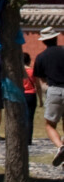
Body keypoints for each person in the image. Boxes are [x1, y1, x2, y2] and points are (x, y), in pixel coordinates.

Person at [31, 26, 64, 166]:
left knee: (50, 124)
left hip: (54, 90)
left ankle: (60, 147)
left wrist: (40, 97)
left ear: (44, 42)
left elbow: (40, 79)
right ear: (56, 38)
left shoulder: (41, 57)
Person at [22, 51, 38, 145]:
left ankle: (21, 137)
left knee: (22, 117)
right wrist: (40, 98)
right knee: (30, 118)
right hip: (31, 94)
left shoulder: (18, 72)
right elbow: (38, 85)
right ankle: (28, 139)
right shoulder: (32, 71)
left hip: (22, 95)